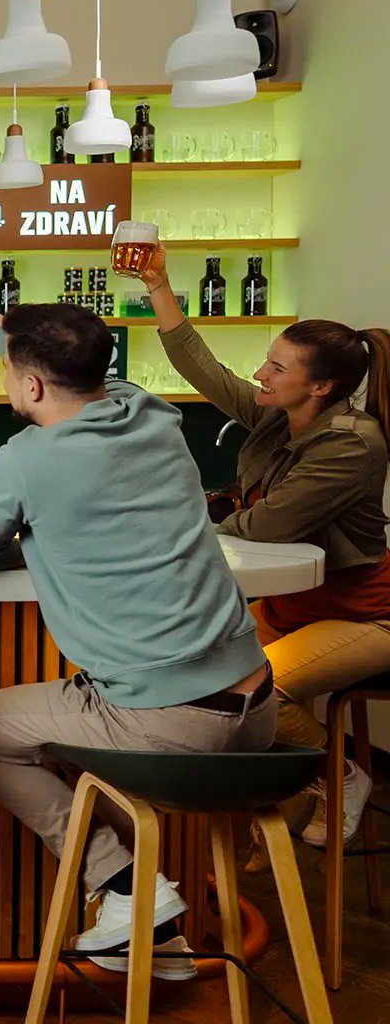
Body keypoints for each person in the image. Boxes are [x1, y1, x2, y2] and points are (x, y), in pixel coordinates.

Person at [0, 269, 274, 980]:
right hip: (259, 709)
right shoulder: (151, 412)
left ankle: (126, 892)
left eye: (9, 373)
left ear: (31, 388)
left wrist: (25, 534)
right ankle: (157, 938)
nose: (5, 378)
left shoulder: (26, 458)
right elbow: (39, 355)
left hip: (163, 724)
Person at [128, 245, 390, 846]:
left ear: (320, 385)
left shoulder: (351, 444)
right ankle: (267, 816)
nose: (260, 375)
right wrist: (160, 287)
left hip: (366, 615)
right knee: (188, 670)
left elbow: (271, 525)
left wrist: (183, 524)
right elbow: (205, 370)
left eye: (277, 368)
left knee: (250, 685)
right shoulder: (282, 416)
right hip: (290, 606)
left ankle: (338, 776)